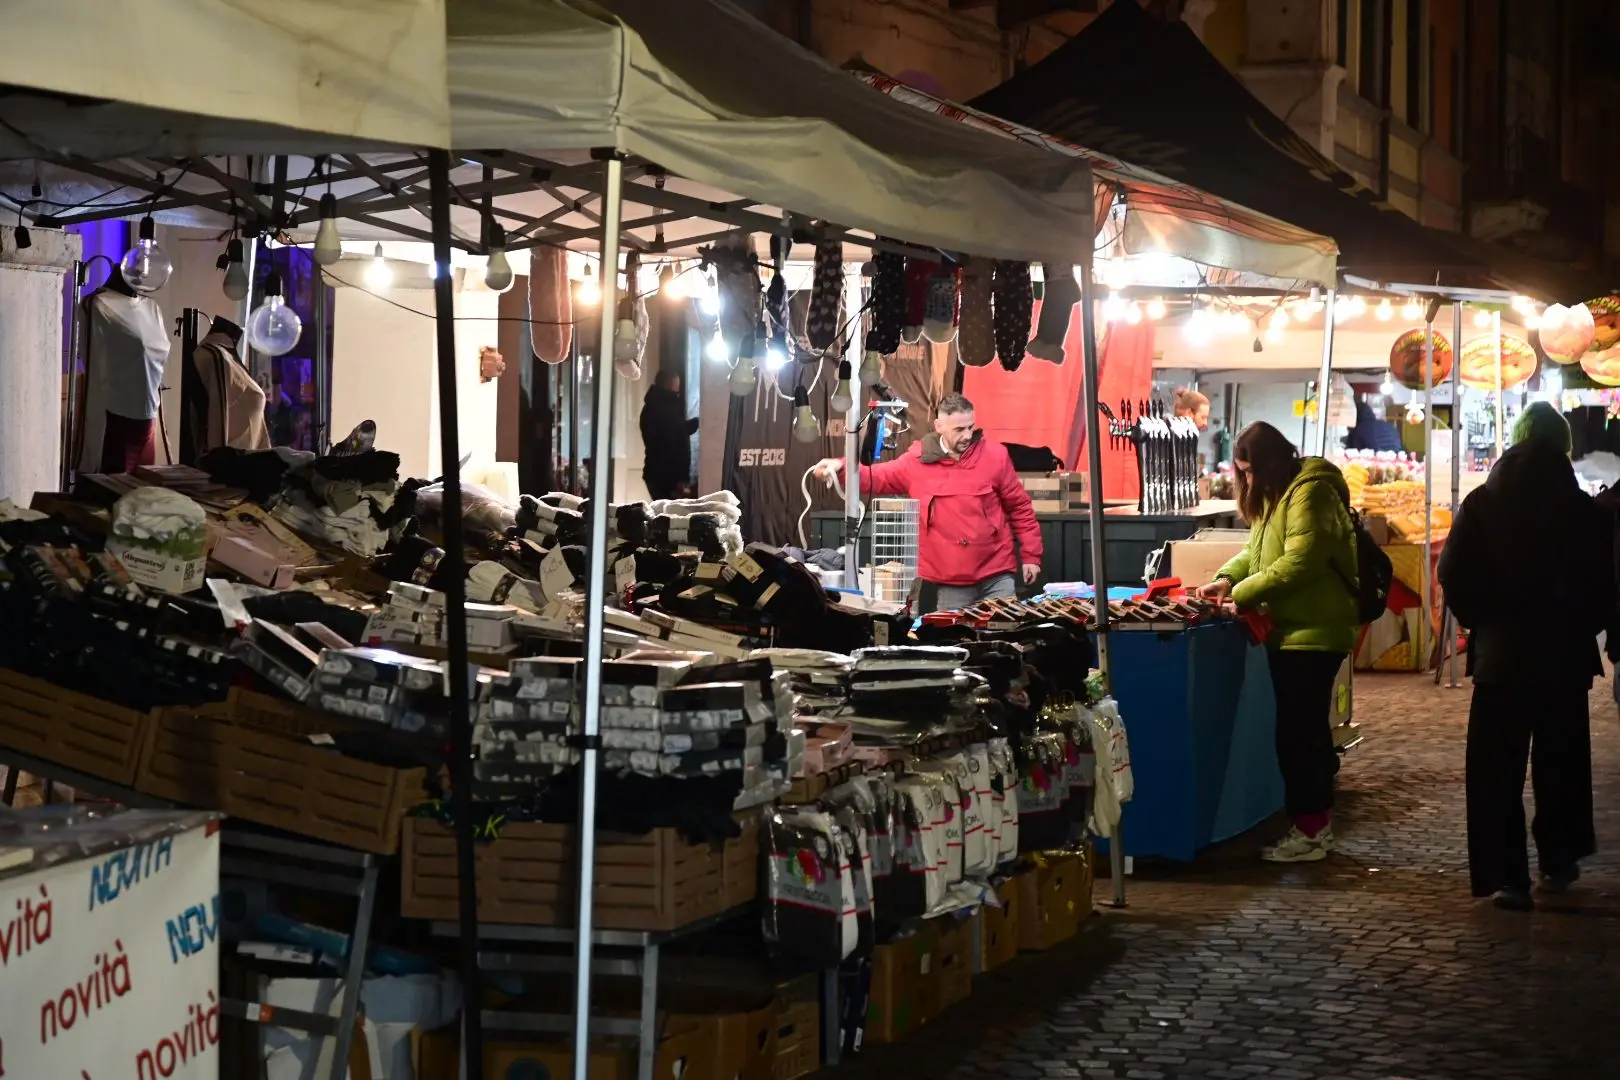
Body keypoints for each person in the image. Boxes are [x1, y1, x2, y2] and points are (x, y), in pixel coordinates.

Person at [1437, 402, 1612, 911]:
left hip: (1500, 657)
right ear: (1564, 447)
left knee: (1497, 770)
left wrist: (1482, 621)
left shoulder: (1481, 505)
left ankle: (1508, 876)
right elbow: (1606, 583)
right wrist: (1583, 624)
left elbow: (1453, 573)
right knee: (1562, 765)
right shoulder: (1584, 512)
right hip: (1566, 657)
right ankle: (1559, 863)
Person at [1197, 422, 1358, 863]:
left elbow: (1300, 562)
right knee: (1301, 732)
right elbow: (1258, 550)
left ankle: (1311, 832)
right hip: (1294, 629)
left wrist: (1244, 594)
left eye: (1249, 472)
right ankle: (1312, 825)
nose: (1246, 481)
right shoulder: (1281, 493)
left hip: (1313, 633)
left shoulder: (1311, 493)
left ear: (1268, 463)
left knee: (1301, 735)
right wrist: (1227, 579)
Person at [813, 393, 1042, 611]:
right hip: (952, 580)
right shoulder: (916, 461)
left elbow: (1019, 507)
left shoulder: (995, 456)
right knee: (954, 641)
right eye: (959, 429)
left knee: (1004, 635)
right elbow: (876, 477)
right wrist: (841, 467)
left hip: (997, 572)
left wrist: (1032, 556)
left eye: (971, 427)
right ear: (939, 426)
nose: (967, 435)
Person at [639, 370, 698, 501]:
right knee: (670, 518)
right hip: (666, 478)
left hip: (657, 473)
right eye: (677, 384)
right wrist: (679, 480)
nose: (679, 388)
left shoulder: (653, 407)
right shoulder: (665, 409)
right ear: (671, 384)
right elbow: (671, 444)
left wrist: (695, 423)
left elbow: (674, 432)